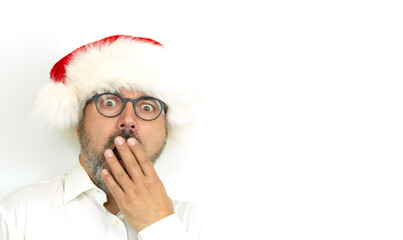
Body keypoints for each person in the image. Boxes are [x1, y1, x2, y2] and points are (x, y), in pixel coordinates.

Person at [0, 35, 211, 240]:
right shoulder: (18, 215)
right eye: (109, 103)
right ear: (79, 125)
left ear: (165, 130)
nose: (128, 120)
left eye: (147, 107)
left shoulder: (195, 225)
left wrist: (158, 227)